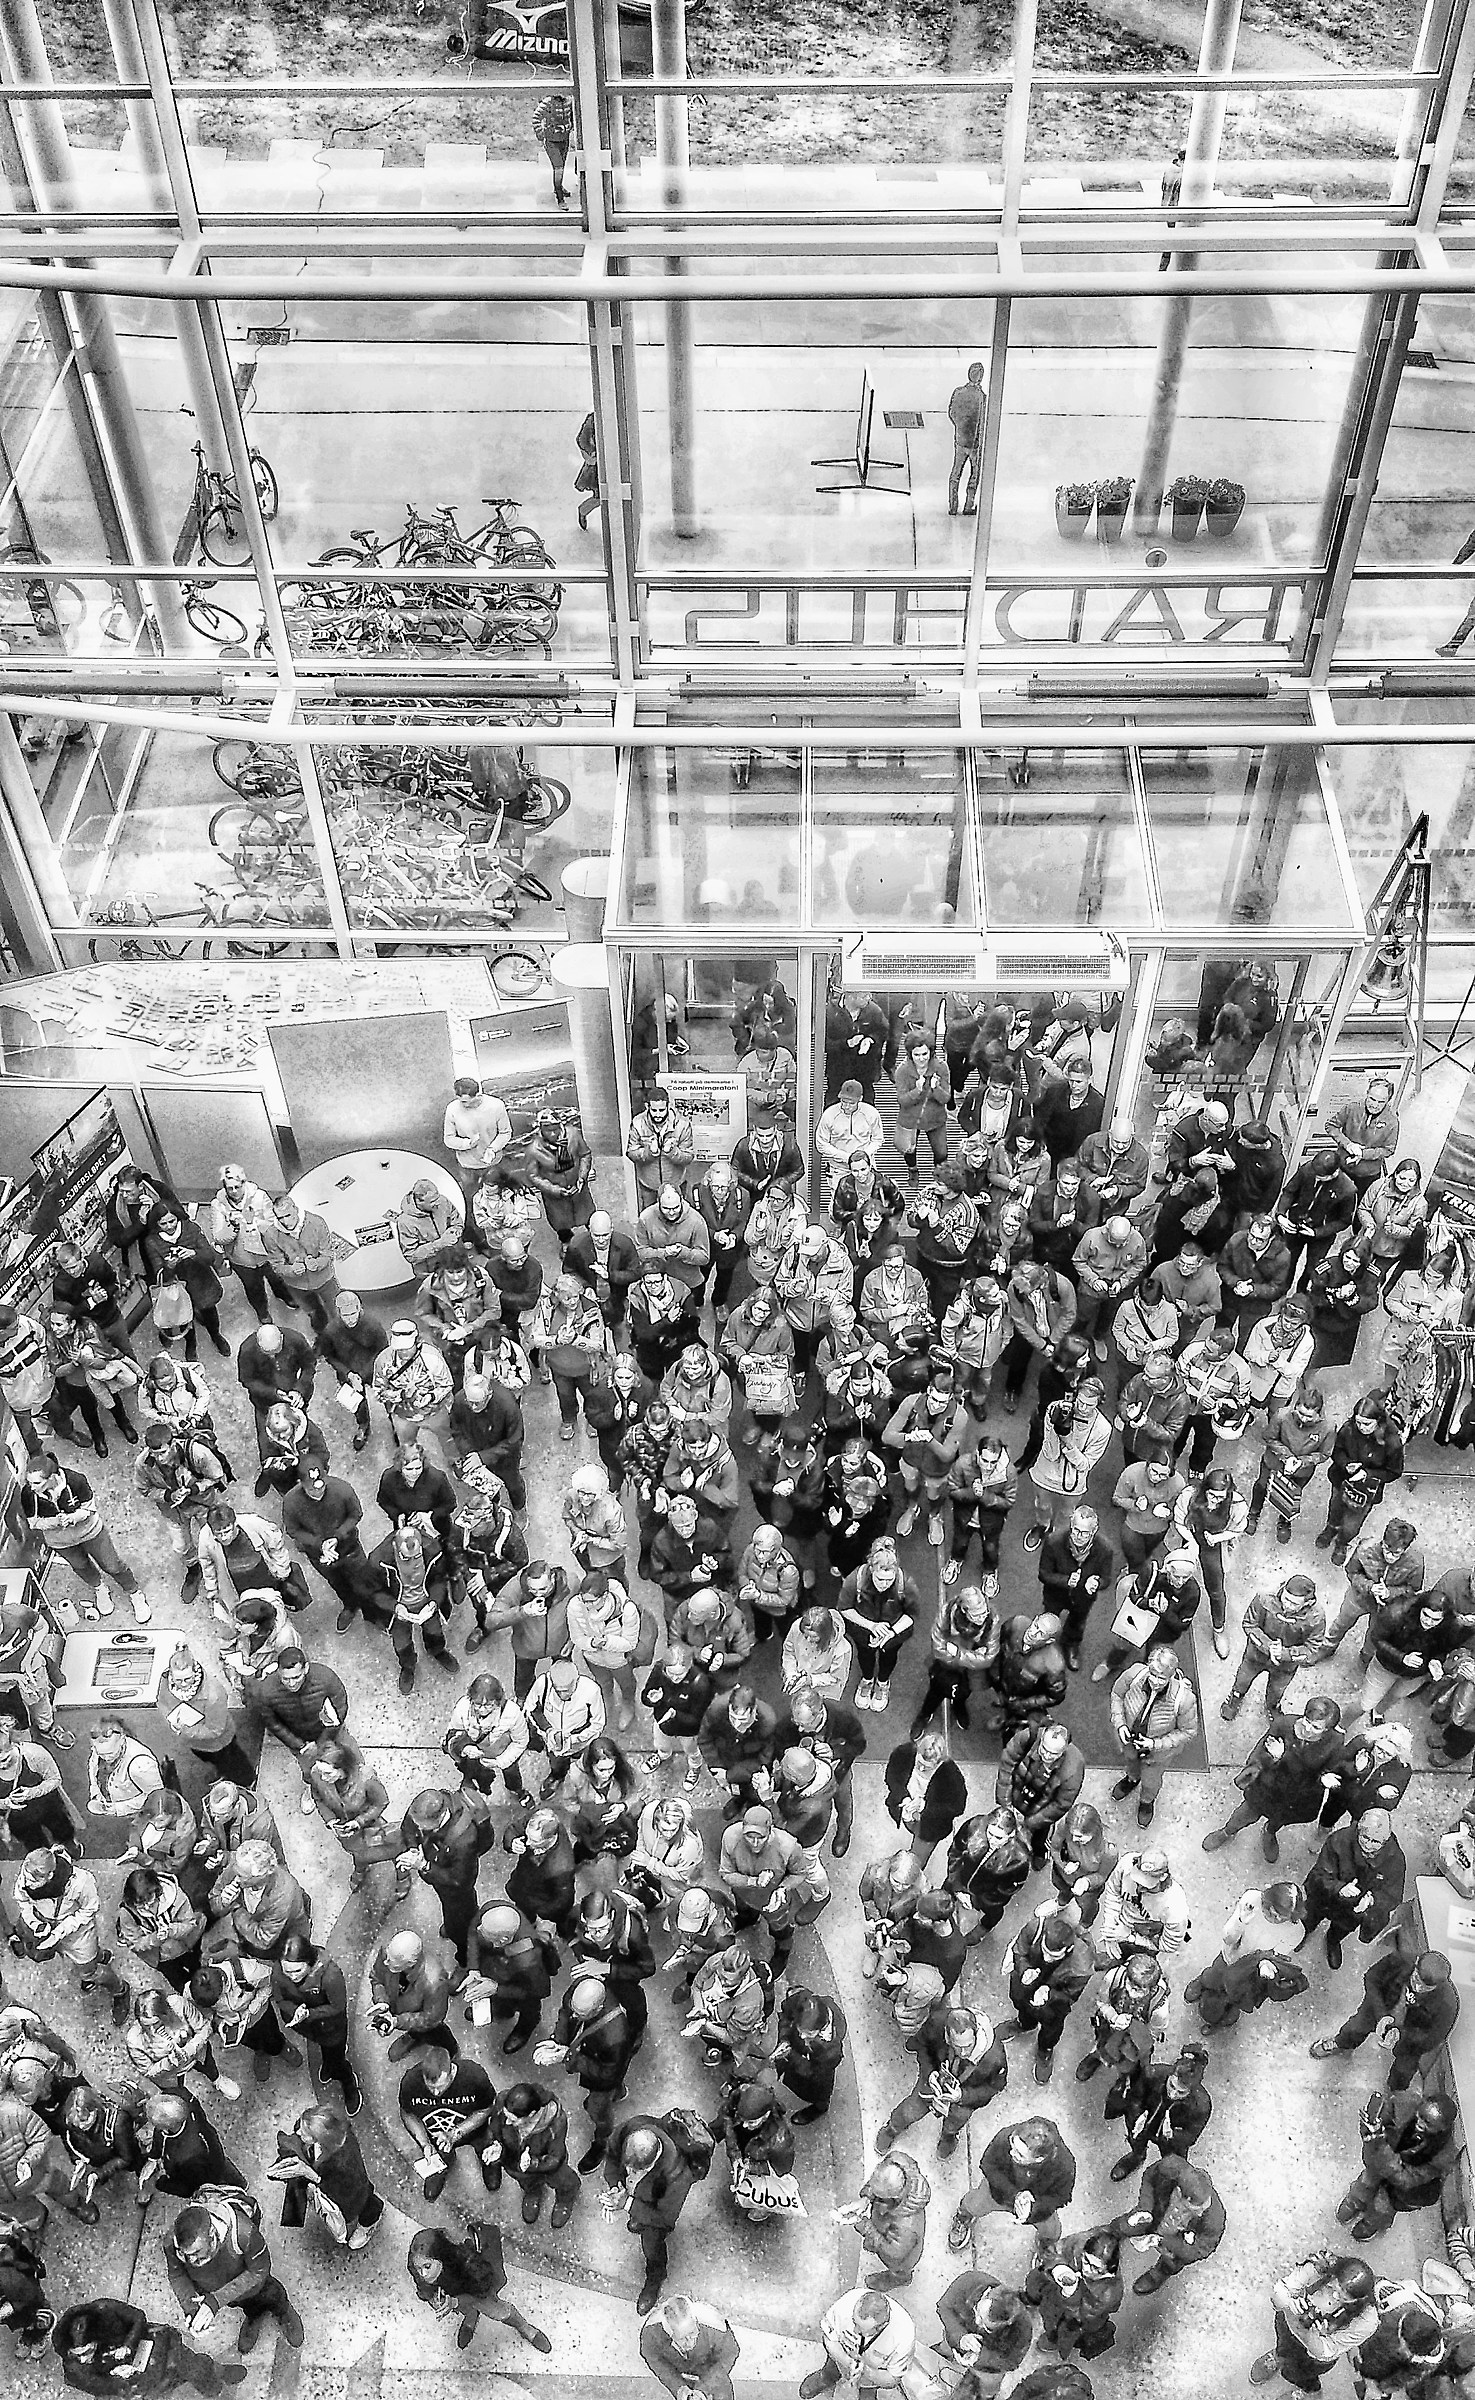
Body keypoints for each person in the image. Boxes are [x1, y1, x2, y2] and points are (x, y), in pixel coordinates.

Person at [1202, 1695, 1343, 1865]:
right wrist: (1275, 1758)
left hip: (1298, 1796)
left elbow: (1329, 1769)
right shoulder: (1283, 1725)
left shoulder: (1334, 1742)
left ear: (1327, 1730)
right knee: (1245, 1814)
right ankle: (1227, 1831)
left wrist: (1324, 1779)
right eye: (1306, 1720)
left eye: (1316, 1727)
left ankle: (1269, 1831)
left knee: (1280, 1819)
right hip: (1270, 1786)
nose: (1307, 1728)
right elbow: (1257, 1757)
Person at [164, 2190, 304, 2354]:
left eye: (197, 2253)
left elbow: (259, 2270)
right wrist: (191, 2308)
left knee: (271, 2295)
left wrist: (216, 2300)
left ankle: (283, 2311)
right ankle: (254, 2316)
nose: (193, 2261)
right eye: (186, 2255)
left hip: (253, 2286)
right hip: (221, 2292)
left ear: (212, 2234)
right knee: (244, 2304)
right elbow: (177, 2274)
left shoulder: (244, 2234)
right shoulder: (172, 2242)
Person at [21, 1451, 152, 1623]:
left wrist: (73, 1518)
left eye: (37, 1483)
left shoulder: (76, 1480)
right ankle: (100, 1588)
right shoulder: (29, 1494)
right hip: (61, 1542)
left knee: (112, 1565)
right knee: (81, 1566)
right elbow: (33, 1522)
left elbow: (89, 1509)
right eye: (29, 1482)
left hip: (90, 1532)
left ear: (52, 1477)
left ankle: (134, 1592)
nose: (32, 1487)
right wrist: (55, 1522)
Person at [1310, 1948, 1459, 2091]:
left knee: (1403, 2071)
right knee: (1355, 2027)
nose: (1418, 1987)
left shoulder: (1448, 2005)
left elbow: (1431, 2039)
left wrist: (1401, 2036)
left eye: (1426, 1987)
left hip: (1410, 2032)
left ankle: (1393, 2091)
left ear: (1439, 1986)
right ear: (1416, 1962)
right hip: (1382, 2006)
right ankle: (1342, 2043)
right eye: (1416, 1979)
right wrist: (1381, 2015)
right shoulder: (1399, 1959)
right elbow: (1371, 1977)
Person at [600, 2113, 705, 2316]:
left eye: (637, 2169)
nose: (629, 2172)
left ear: (654, 2160)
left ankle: (655, 2278)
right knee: (640, 2215)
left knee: (653, 2244)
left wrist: (627, 2203)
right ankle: (638, 2218)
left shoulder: (678, 2177)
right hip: (640, 2198)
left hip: (656, 2214)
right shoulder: (631, 2128)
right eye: (628, 2166)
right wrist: (615, 2185)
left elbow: (663, 2218)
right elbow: (612, 2155)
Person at [406, 2221, 551, 2353]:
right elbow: (424, 2289)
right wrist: (436, 2300)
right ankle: (471, 2317)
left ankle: (524, 2327)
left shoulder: (470, 2264)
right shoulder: (421, 2273)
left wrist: (456, 2302)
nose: (423, 2274)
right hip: (455, 2296)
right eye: (419, 2268)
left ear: (442, 2257)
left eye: (427, 2266)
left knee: (500, 2312)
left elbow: (481, 2290)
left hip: (477, 2290)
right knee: (465, 2309)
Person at [52, 2300, 247, 2395]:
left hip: (154, 2346)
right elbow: (102, 2390)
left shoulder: (104, 2310)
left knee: (193, 2365)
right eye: (77, 2356)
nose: (83, 2359)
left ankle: (215, 2376)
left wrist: (128, 2344)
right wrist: (118, 2379)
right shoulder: (75, 2370)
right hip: (138, 2384)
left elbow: (137, 2317)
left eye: (86, 2351)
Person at [1249, 2253, 1379, 2392]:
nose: (1335, 2297)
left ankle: (1308, 2389)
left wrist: (1314, 2337)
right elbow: (1280, 2291)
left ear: (1358, 2300)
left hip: (1311, 2356)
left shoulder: (1367, 2321)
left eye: (1343, 2298)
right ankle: (1279, 2354)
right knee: (1283, 2345)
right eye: (1332, 2288)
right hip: (1287, 2325)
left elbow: (1328, 2351)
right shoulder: (1320, 2266)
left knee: (1298, 2373)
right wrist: (1289, 2302)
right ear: (1333, 2275)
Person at [1220, 1573, 1331, 1719]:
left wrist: (1284, 1654)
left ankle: (1273, 1705)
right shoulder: (1264, 1598)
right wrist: (1269, 1646)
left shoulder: (1316, 1617)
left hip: (1285, 1665)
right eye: (1286, 1599)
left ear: (1306, 1603)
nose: (1287, 1605)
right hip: (1256, 1655)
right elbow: (1249, 1623)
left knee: (1276, 1690)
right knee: (1242, 1679)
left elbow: (1312, 1647)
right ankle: (1236, 1697)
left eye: (1294, 1604)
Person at [1116, 2157, 1225, 2294]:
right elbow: (1149, 2177)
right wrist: (1146, 2207)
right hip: (1157, 2215)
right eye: (1189, 2208)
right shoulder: (1169, 2168)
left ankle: (1159, 2273)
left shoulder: (1214, 2220)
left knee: (1173, 2261)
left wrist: (1167, 2241)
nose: (1200, 2212)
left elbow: (1201, 2249)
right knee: (1130, 2222)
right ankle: (1114, 2233)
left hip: (1177, 2241)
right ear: (1179, 2192)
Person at [801, 2288, 919, 2399]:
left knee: (867, 2394)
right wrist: (847, 2361)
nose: (855, 2331)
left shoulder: (904, 2337)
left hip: (873, 2376)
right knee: (831, 2366)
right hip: (840, 2355)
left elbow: (892, 2379)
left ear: (881, 2327)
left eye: (862, 2329)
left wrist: (866, 2371)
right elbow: (829, 2338)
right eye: (854, 2322)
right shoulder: (847, 2303)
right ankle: (827, 2377)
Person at [258, 1191, 340, 1334]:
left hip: (325, 1279)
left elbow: (328, 1253)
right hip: (297, 1285)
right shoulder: (271, 1235)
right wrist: (291, 1270)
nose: (284, 1221)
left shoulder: (316, 1223)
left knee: (336, 1309)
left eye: (288, 1215)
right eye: (280, 1217)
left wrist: (318, 1263)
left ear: (295, 1210)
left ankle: (341, 1334)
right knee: (313, 1312)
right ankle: (323, 1336)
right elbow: (276, 1265)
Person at [640, 2296, 740, 2400]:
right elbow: (654, 2360)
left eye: (692, 2333)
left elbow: (730, 2353)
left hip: (710, 2368)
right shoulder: (651, 2334)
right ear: (668, 2333)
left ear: (696, 2321)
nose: (690, 2341)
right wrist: (678, 2387)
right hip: (679, 2370)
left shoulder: (715, 2328)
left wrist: (704, 2388)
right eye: (682, 2338)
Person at [441, 1076, 512, 1223]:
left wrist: (493, 1148)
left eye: (466, 1101)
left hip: (493, 1164)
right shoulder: (453, 1109)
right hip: (468, 1167)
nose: (462, 1104)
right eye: (460, 1100)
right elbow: (448, 1139)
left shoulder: (496, 1106)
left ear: (478, 1095)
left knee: (497, 1199)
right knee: (472, 1201)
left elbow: (505, 1132)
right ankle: (477, 1237)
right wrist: (467, 1144)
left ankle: (502, 1231)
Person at [947, 360, 986, 515]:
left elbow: (952, 413)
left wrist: (959, 428)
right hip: (974, 444)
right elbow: (983, 421)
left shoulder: (958, 392)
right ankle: (968, 505)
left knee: (955, 473)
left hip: (960, 439)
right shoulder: (981, 397)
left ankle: (953, 506)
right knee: (974, 474)